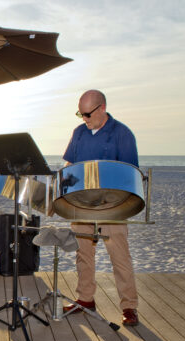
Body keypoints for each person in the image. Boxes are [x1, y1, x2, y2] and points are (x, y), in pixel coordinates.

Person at [62, 89, 139, 326]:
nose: (84, 119)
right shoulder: (79, 132)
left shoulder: (122, 134)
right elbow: (70, 163)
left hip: (111, 206)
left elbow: (130, 173)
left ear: (102, 108)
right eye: (80, 114)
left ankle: (129, 306)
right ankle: (85, 299)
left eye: (87, 114)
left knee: (119, 256)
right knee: (83, 254)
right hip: (82, 204)